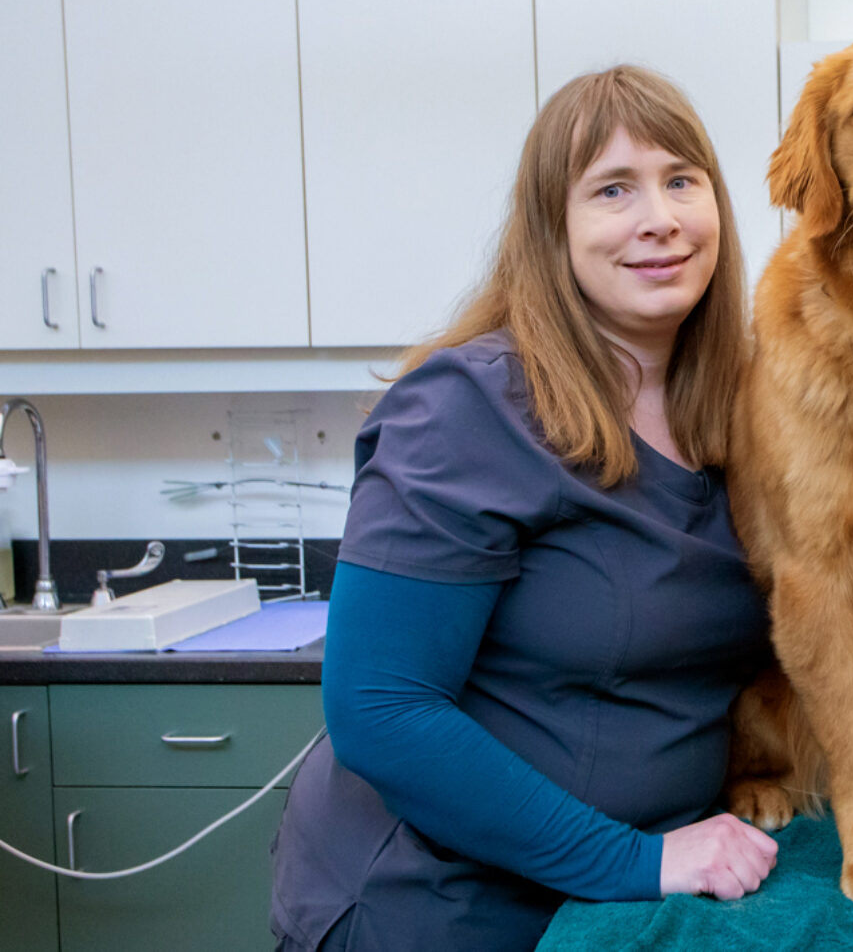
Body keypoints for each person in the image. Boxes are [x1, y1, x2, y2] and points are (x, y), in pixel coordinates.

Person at [270, 65, 779, 952]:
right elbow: (379, 708)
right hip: (438, 907)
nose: (658, 217)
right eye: (612, 189)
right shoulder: (470, 409)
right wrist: (633, 860)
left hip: (624, 911)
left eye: (681, 181)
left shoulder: (749, 408)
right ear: (554, 230)